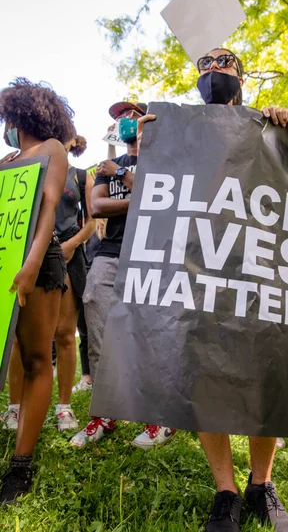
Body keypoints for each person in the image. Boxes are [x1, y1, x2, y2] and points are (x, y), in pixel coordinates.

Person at [137, 49, 288, 531]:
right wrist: (151, 145)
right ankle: (225, 490)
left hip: (255, 269)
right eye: (203, 69)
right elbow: (157, 195)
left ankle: (260, 483)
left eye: (222, 66)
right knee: (205, 374)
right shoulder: (176, 132)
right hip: (197, 268)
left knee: (262, 372)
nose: (211, 76)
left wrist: (282, 130)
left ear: (240, 77)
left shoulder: (266, 128)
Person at [70, 100, 175, 449]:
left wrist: (122, 175)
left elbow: (166, 199)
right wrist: (137, 190)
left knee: (147, 335)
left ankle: (158, 420)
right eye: (118, 118)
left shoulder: (163, 156)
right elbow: (98, 206)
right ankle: (105, 413)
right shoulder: (105, 165)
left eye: (130, 115)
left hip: (152, 254)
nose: (124, 121)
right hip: (110, 253)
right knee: (96, 323)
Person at [0, 78, 74, 504]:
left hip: (38, 266)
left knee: (34, 358)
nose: (6, 123)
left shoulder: (52, 148)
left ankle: (21, 465)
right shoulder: (12, 157)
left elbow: (48, 209)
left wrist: (29, 268)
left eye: (9, 114)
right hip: (7, 263)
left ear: (23, 112)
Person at [2, 135, 96, 432]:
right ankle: (14, 408)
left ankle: (64, 407)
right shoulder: (19, 163)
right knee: (20, 340)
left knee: (66, 334)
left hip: (66, 258)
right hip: (26, 258)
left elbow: (92, 221)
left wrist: (71, 245)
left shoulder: (82, 177)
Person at [73, 218, 107, 393]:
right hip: (86, 273)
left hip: (104, 275)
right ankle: (87, 376)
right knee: (86, 329)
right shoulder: (87, 224)